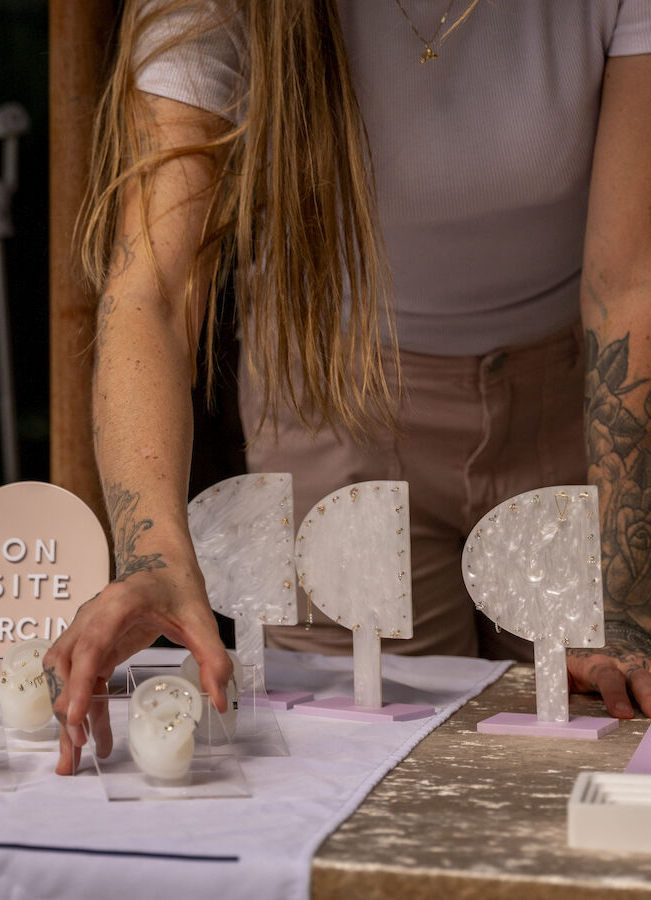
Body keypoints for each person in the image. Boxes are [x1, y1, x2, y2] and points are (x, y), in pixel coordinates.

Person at [43, 0, 651, 775]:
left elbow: (630, 283)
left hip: (577, 416)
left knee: (591, 762)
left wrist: (625, 599)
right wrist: (153, 553)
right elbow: (153, 289)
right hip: (335, 411)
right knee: (354, 771)